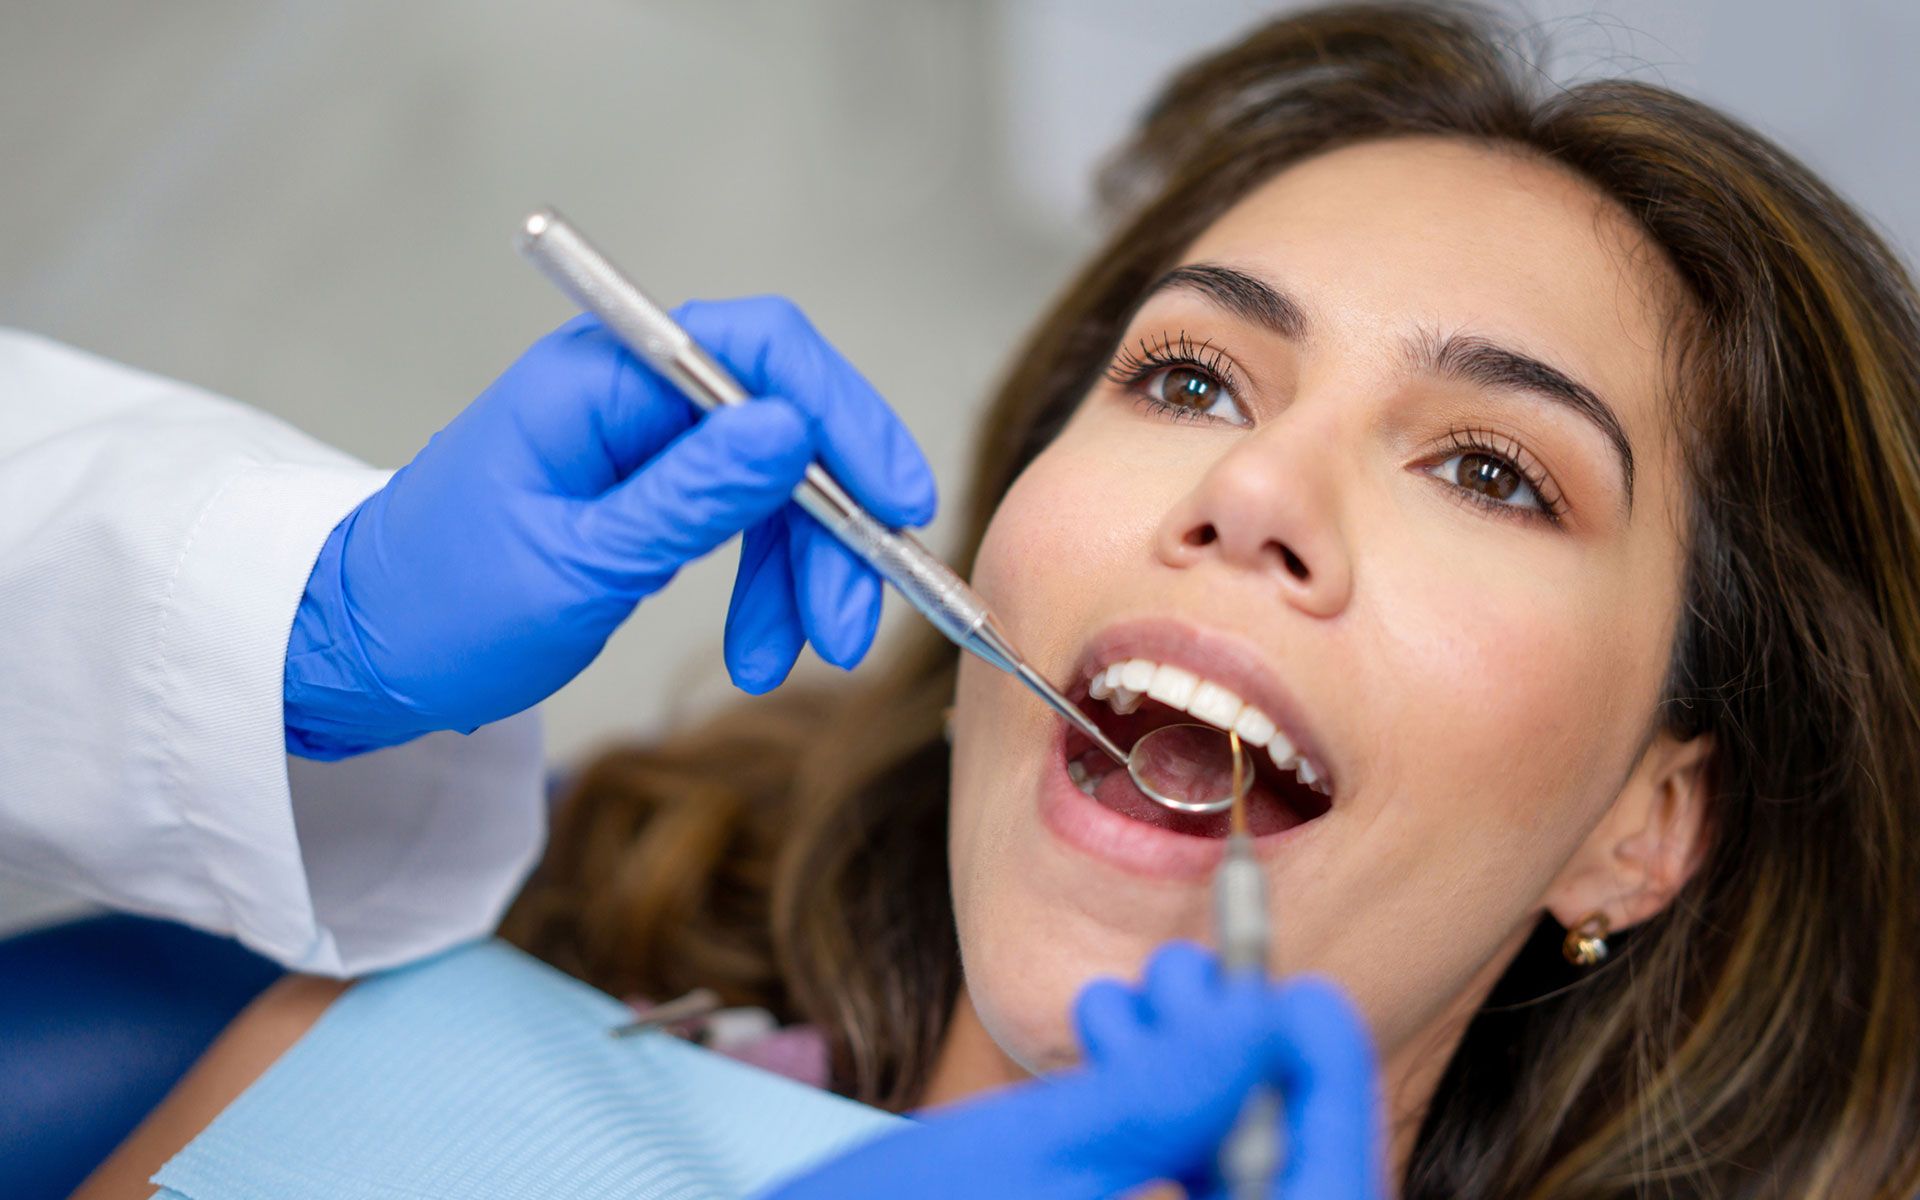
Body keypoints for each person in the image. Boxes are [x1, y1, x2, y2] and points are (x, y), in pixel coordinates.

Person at [42, 0, 1920, 1195]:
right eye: (1189, 380)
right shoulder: (335, 1060)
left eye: (1491, 471)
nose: (1252, 489)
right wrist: (299, 633)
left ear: (1643, 830)